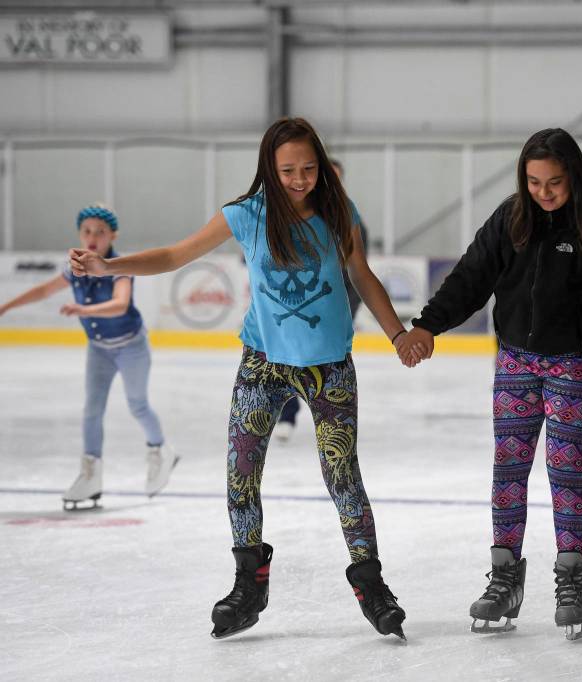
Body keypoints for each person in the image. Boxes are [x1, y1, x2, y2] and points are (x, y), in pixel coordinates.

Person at [70, 117, 417, 641]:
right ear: (268, 170)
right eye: (287, 171)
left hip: (329, 368)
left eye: (308, 168)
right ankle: (248, 586)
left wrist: (396, 334)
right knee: (241, 475)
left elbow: (361, 275)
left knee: (343, 477)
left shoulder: (337, 211)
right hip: (262, 362)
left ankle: (372, 585)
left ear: (320, 166)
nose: (299, 179)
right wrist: (108, 267)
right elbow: (174, 255)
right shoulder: (246, 215)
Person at [403, 128, 582, 640]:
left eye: (555, 182)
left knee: (565, 472)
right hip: (516, 360)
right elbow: (472, 276)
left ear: (574, 177)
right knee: (509, 470)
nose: (543, 192)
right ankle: (505, 577)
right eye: (534, 181)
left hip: (575, 363)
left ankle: (571, 578)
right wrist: (429, 324)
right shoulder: (511, 217)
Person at [0, 204, 177, 510]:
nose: (93, 237)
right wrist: (5, 307)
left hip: (131, 346)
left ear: (113, 235)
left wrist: (82, 310)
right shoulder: (75, 270)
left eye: (100, 231)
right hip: (99, 349)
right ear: (79, 234)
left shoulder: (120, 266)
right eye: (86, 231)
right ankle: (90, 473)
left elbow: (120, 305)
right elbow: (44, 290)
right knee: (91, 411)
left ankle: (160, 450)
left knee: (137, 404)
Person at [275, 157, 370, 442]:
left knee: (325, 360)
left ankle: (327, 415)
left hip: (339, 301)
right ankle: (289, 414)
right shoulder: (292, 217)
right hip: (303, 302)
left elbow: (358, 270)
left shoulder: (349, 218)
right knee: (293, 358)